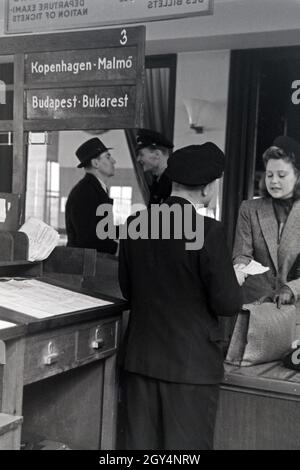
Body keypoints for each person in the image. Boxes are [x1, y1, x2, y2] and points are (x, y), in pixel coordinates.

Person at [118, 143, 242, 450]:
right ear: (208, 188)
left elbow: (129, 291)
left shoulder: (135, 224)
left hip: (140, 362)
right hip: (191, 369)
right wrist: (235, 278)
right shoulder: (208, 231)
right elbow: (227, 304)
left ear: (173, 181)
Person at [233, 135, 300, 307]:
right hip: (256, 306)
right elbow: (242, 254)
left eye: (281, 175)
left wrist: (291, 289)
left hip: (295, 310)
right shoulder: (249, 209)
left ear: (297, 176)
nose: (274, 181)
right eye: (269, 175)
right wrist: (238, 271)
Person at [65, 137, 118, 255]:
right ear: (95, 163)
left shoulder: (95, 188)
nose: (114, 161)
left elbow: (103, 230)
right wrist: (119, 249)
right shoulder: (84, 192)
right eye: (108, 157)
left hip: (94, 262)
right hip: (86, 266)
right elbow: (89, 239)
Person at [136, 128, 174, 205]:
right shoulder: (158, 181)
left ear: (157, 154)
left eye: (141, 154)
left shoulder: (174, 184)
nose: (138, 159)